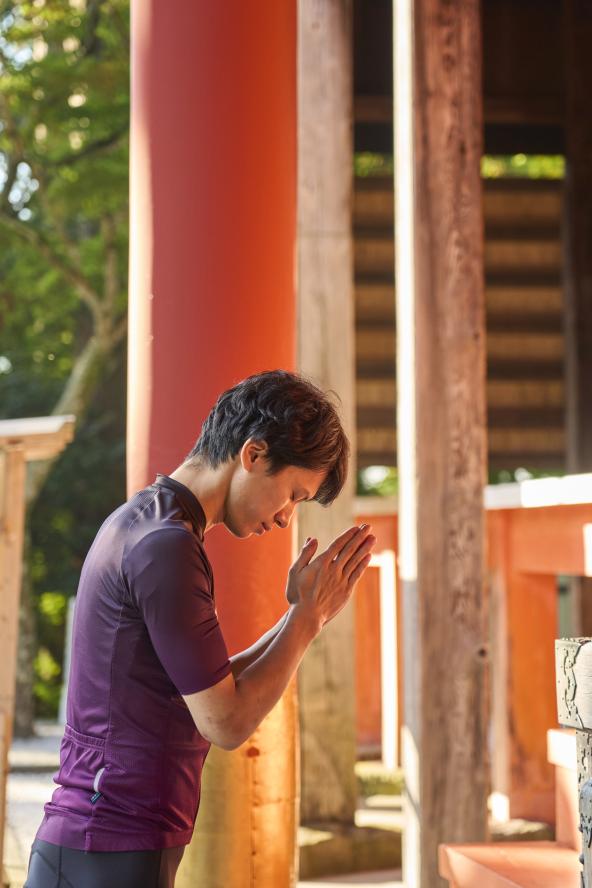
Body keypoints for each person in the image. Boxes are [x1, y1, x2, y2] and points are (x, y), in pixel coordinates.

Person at [24, 370, 376, 888]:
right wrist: (306, 619)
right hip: (109, 844)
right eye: (293, 494)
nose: (285, 519)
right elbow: (226, 723)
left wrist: (304, 615)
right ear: (253, 455)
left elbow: (209, 690)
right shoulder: (164, 546)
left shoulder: (149, 522)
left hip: (103, 844)